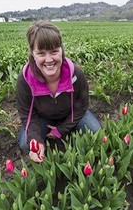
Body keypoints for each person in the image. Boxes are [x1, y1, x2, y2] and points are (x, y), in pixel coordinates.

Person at [16, 20, 101, 163]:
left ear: (62, 50)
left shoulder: (75, 74)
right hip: (43, 117)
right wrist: (36, 140)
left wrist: (61, 130)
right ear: (32, 54)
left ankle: (71, 130)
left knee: (96, 132)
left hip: (71, 112)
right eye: (41, 53)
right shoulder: (25, 80)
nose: (49, 59)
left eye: (54, 51)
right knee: (27, 144)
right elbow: (27, 114)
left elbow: (81, 105)